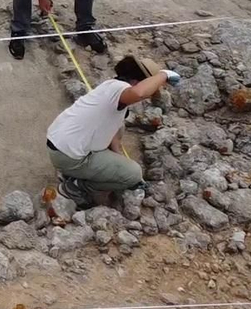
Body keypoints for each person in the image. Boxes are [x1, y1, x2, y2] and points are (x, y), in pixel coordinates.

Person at [46, 55, 178, 204]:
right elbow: (138, 93)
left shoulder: (110, 86)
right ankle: (76, 187)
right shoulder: (120, 89)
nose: (146, 97)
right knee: (133, 174)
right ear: (137, 82)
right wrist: (163, 75)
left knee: (120, 126)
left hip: (59, 144)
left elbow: (114, 127)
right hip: (70, 156)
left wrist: (117, 155)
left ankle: (77, 171)